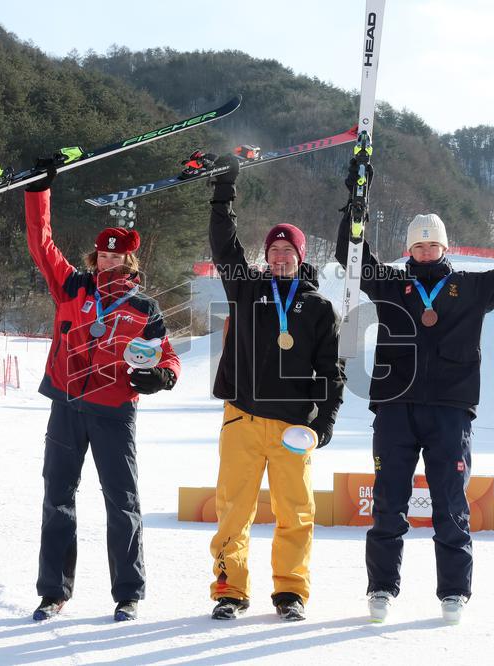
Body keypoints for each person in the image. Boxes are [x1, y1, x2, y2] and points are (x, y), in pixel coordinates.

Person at [335, 160, 494, 624]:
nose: (426, 250)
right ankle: (381, 588)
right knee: (388, 501)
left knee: (450, 503)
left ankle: (453, 591)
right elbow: (350, 256)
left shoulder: (471, 288)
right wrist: (355, 200)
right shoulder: (391, 285)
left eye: (433, 243)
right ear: (408, 248)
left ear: (445, 246)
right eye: (418, 244)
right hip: (395, 408)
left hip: (450, 411)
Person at [23, 161, 181, 623]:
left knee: (122, 502)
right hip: (68, 409)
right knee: (57, 499)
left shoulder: (143, 307)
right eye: (102, 255)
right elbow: (42, 244)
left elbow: (167, 356)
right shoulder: (73, 287)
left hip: (114, 413)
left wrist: (162, 376)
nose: (107, 261)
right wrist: (39, 192)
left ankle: (127, 593)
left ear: (130, 262)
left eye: (116, 257)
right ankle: (53, 591)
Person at [205, 155, 346, 622]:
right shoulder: (246, 289)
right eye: (275, 250)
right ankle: (230, 590)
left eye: (289, 251)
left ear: (301, 258)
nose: (281, 256)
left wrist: (322, 422)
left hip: (292, 427)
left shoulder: (320, 309)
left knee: (297, 514)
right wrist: (224, 191)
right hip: (242, 417)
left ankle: (291, 592)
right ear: (266, 256)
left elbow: (331, 371)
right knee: (233, 512)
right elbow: (224, 248)